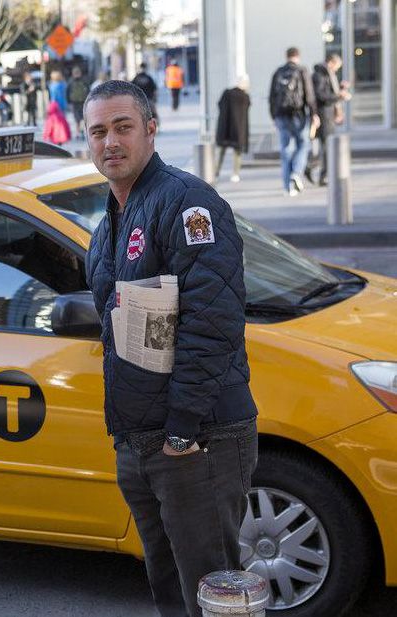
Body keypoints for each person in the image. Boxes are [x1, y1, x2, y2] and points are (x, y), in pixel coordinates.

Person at [83, 80, 258, 617]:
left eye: (123, 127)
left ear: (151, 130)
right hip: (141, 439)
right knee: (168, 587)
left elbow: (213, 323)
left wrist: (182, 431)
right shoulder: (108, 224)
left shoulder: (188, 202)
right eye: (98, 132)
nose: (110, 142)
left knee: (211, 594)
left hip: (196, 438)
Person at [269, 47, 319, 196]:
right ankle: (296, 173)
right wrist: (314, 113)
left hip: (281, 115)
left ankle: (288, 187)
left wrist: (274, 116)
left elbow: (272, 97)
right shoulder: (302, 70)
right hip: (299, 114)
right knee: (303, 145)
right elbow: (309, 94)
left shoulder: (278, 72)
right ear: (298, 56)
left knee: (285, 150)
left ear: (287, 56)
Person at [308, 53, 351, 186]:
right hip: (323, 114)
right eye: (337, 66)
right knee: (326, 145)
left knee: (325, 145)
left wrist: (341, 89)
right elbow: (320, 95)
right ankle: (321, 173)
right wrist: (339, 96)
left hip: (328, 113)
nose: (337, 69)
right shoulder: (320, 75)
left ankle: (313, 169)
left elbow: (329, 92)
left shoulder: (328, 75)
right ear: (331, 62)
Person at [215, 75, 252, 183]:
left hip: (225, 127)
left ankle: (215, 172)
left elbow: (219, 105)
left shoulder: (227, 93)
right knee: (237, 153)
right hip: (238, 129)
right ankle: (235, 174)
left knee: (221, 152)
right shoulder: (245, 97)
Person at [67, 66, 89, 140]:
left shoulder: (71, 81)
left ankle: (79, 132)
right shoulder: (83, 80)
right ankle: (79, 132)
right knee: (79, 118)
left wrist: (68, 102)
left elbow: (67, 92)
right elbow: (88, 90)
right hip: (78, 102)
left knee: (79, 118)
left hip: (78, 102)